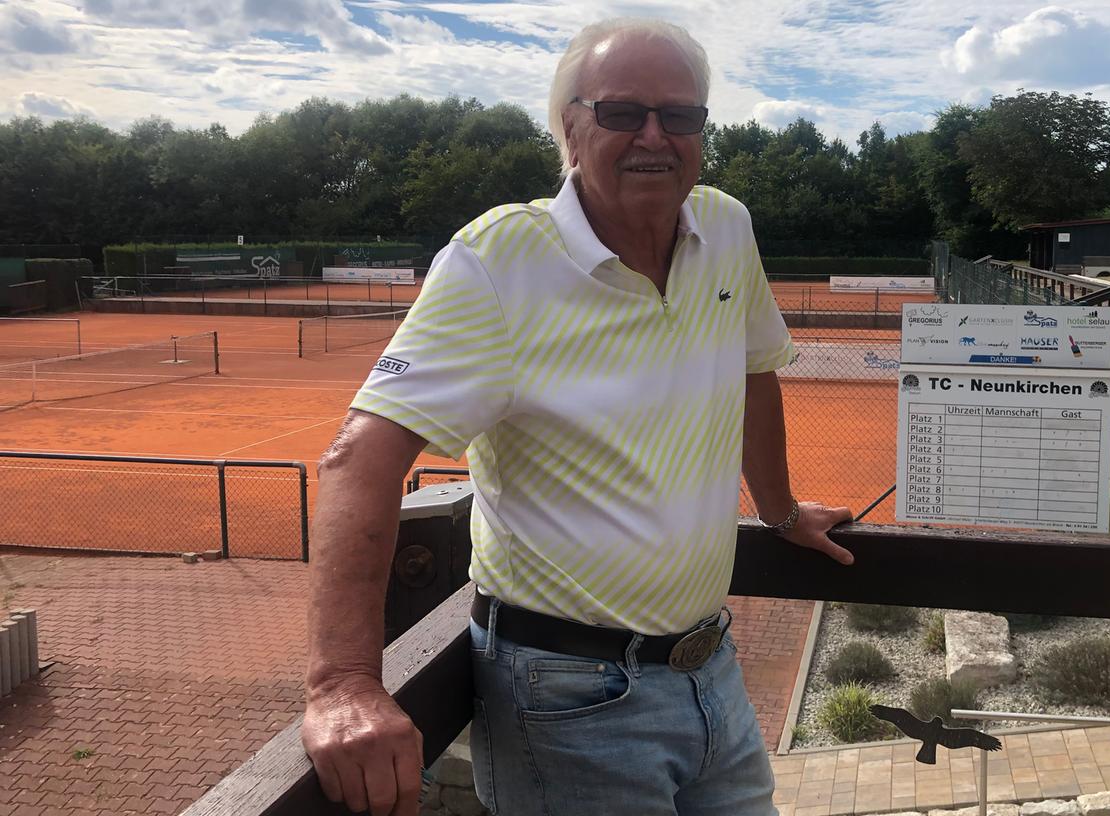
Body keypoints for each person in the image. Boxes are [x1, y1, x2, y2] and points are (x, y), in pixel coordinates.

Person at [301, 17, 854, 816]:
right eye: (623, 112)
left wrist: (778, 510)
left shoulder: (726, 227)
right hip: (566, 699)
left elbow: (753, 366)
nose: (655, 136)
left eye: (682, 115)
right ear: (569, 128)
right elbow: (361, 459)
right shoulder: (496, 263)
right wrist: (343, 682)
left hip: (711, 672)